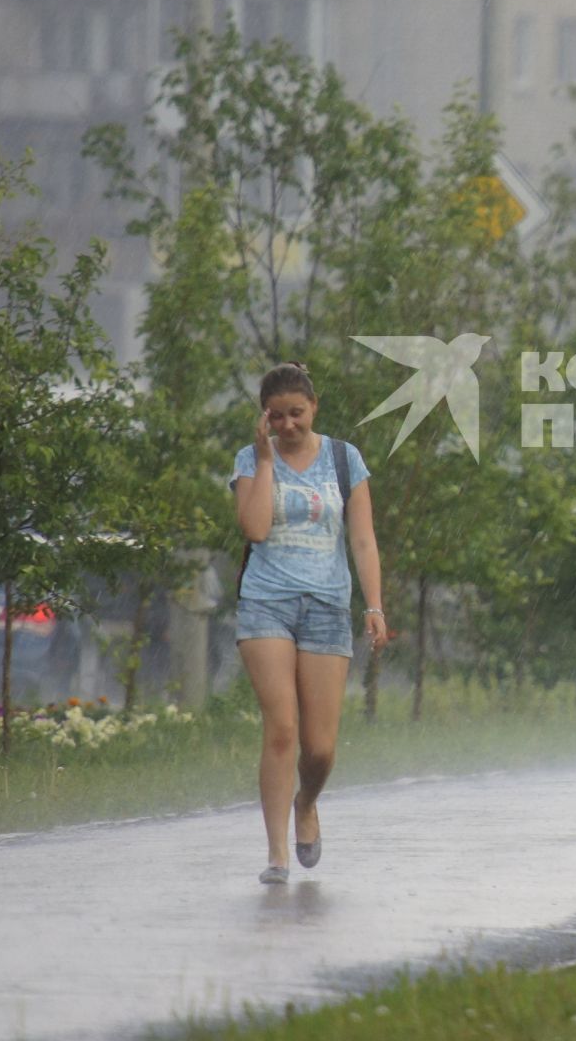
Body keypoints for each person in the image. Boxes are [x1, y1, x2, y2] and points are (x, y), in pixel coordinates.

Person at [231, 362, 387, 884]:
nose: (288, 425)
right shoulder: (250, 460)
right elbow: (254, 528)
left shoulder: (346, 459)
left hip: (326, 606)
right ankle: (276, 854)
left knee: (319, 749)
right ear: (264, 418)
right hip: (266, 604)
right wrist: (264, 456)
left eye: (296, 414)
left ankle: (307, 802)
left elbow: (363, 540)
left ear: (314, 408)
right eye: (276, 417)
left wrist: (374, 606)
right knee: (282, 728)